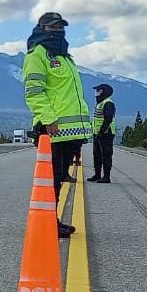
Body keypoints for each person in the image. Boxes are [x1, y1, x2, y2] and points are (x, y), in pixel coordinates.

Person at [22, 12, 93, 238]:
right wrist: (47, 117)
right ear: (42, 29)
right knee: (49, 180)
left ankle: (52, 220)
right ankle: (45, 222)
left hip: (69, 132)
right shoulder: (38, 55)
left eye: (61, 27)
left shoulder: (65, 58)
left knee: (60, 177)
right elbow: (34, 91)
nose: (58, 31)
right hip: (51, 129)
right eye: (53, 27)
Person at [87, 84, 116, 183]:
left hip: (106, 133)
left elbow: (108, 119)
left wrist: (102, 131)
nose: (96, 93)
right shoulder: (100, 103)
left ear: (104, 92)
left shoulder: (108, 103)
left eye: (99, 91)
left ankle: (106, 176)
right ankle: (97, 174)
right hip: (97, 133)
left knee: (106, 154)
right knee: (97, 154)